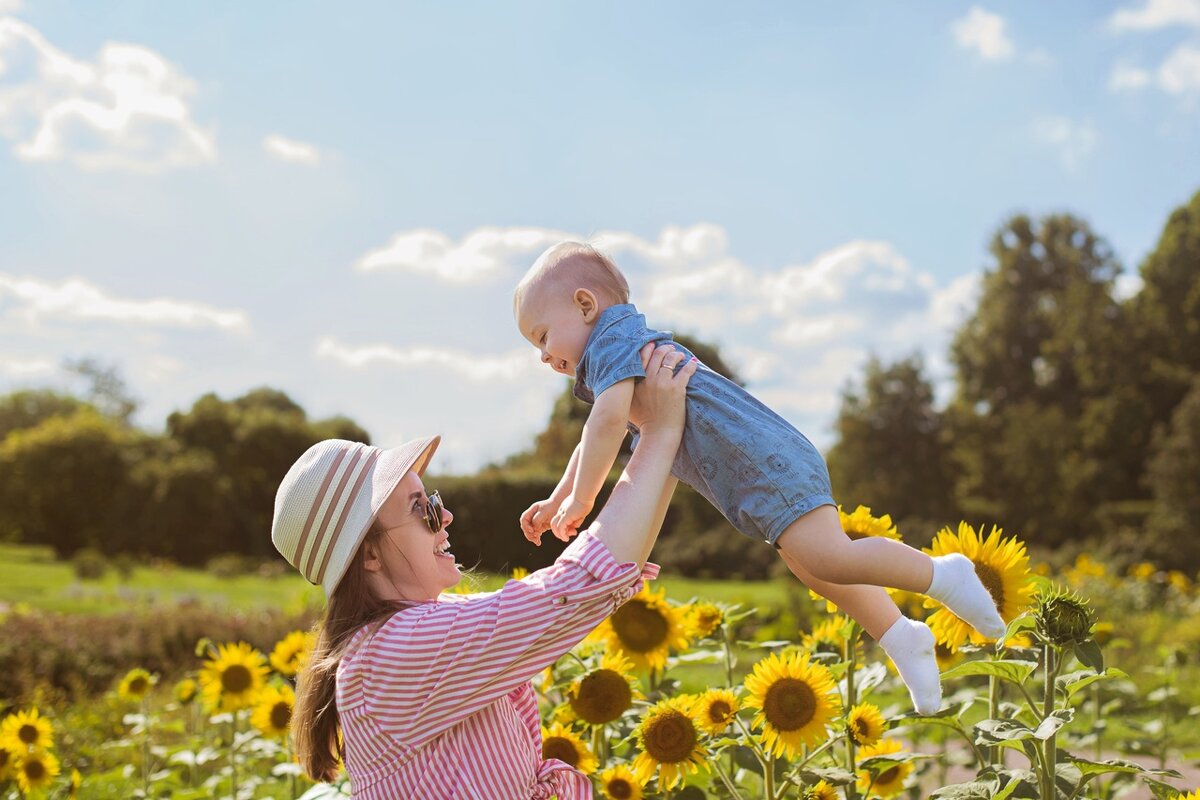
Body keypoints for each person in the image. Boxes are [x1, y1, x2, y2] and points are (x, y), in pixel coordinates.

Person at [513, 241, 1010, 716]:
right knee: (815, 568)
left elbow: (603, 427)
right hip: (754, 475)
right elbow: (591, 439)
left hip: (766, 463)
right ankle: (901, 636)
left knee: (828, 556)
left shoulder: (613, 339)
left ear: (585, 305)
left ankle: (945, 577)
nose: (542, 356)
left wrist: (580, 501)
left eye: (542, 336)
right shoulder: (613, 362)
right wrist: (557, 499)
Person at [272, 344, 697, 799]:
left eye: (433, 501)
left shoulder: (412, 633)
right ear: (370, 556)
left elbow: (602, 576)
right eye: (422, 510)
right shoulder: (392, 653)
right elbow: (568, 594)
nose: (445, 516)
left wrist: (661, 444)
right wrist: (657, 433)